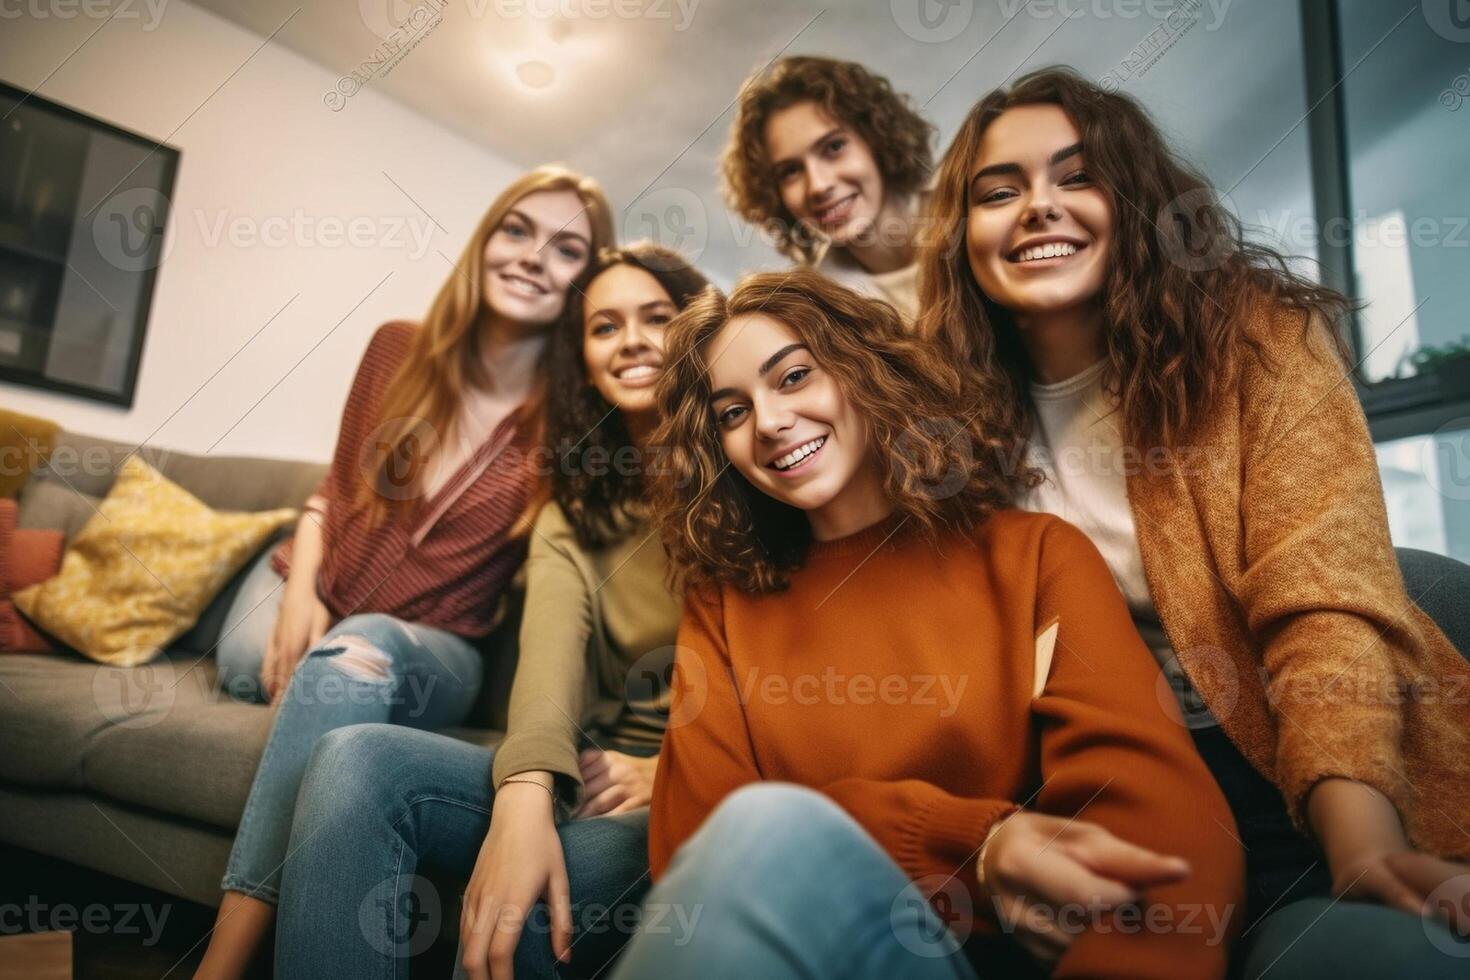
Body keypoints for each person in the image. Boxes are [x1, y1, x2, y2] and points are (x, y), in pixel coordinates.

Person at [916, 66, 1470, 976]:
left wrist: (1361, 840)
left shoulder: (1258, 340)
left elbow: (1321, 594)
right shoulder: (941, 420)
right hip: (1091, 804)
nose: (1037, 208)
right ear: (962, 236)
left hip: (1297, 774)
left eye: (1077, 176)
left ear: (1134, 201)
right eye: (999, 192)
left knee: (1351, 958)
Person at [611, 268, 1244, 979]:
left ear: (864, 371)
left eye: (792, 377)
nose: (769, 422)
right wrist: (971, 843)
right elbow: (700, 844)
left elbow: (1154, 811)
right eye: (732, 413)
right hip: (814, 945)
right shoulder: (724, 603)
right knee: (761, 830)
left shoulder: (1033, 555)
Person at [194, 166, 615, 979]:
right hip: (309, 580)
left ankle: (219, 966)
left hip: (435, 646)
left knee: (359, 651)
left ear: (583, 282)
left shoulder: (574, 422)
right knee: (272, 663)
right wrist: (303, 589)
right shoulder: (395, 348)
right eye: (517, 230)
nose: (534, 257)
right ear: (486, 239)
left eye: (568, 249)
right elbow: (331, 487)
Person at [270, 244, 710, 980]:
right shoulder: (573, 511)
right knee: (354, 760)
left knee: (537, 898)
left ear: (699, 329)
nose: (631, 339)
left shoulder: (754, 472)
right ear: (584, 363)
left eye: (656, 318)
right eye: (604, 327)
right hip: (587, 770)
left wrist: (668, 768)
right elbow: (546, 663)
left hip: (696, 785)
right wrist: (528, 787)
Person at [722, 56, 933, 322]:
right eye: (790, 171)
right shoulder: (820, 309)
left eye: (833, 147)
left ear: (876, 139)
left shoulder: (973, 210)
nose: (818, 186)